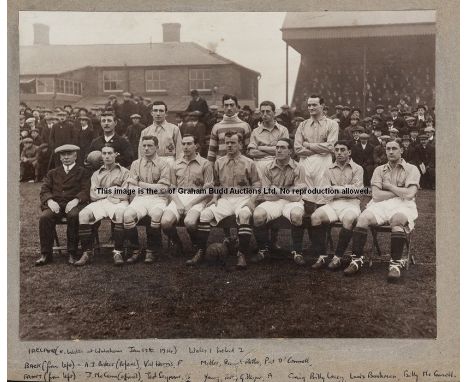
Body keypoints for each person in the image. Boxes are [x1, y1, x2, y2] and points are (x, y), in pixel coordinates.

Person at [343, 140, 420, 281]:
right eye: (388, 149)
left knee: (397, 220)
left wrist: (389, 186)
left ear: (402, 150)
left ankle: (395, 264)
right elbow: (376, 195)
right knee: (363, 218)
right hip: (381, 203)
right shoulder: (379, 170)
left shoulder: (412, 169)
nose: (390, 151)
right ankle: (357, 260)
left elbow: (410, 194)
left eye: (394, 148)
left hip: (404, 205)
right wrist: (400, 191)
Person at [187, 131, 261, 268]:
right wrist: (215, 197)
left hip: (242, 197)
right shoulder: (219, 162)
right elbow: (216, 184)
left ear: (240, 144)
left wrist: (252, 200)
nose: (229, 145)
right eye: (227, 143)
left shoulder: (249, 162)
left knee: (244, 215)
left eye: (233, 142)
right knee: (205, 214)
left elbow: (256, 184)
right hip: (225, 198)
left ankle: (241, 254)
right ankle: (201, 251)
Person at [294, 94, 339, 260]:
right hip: (305, 164)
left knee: (321, 202)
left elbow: (331, 147)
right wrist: (316, 148)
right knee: (306, 203)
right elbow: (297, 149)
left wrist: (309, 145)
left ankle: (319, 246)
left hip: (323, 164)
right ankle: (311, 245)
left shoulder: (332, 124)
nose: (311, 108)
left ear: (322, 106)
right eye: (309, 106)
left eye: (314, 105)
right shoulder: (303, 125)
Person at [309, 140, 364, 270]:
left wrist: (335, 189)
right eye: (337, 150)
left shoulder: (357, 168)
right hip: (332, 204)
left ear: (349, 152)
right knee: (315, 217)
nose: (339, 153)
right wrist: (345, 189)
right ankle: (322, 256)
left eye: (342, 150)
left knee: (349, 219)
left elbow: (356, 191)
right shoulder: (328, 169)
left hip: (351, 204)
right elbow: (326, 193)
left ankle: (337, 257)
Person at [250, 138, 306, 264]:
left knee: (297, 215)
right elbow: (266, 195)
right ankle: (262, 250)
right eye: (277, 147)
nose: (279, 150)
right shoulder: (267, 167)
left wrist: (277, 191)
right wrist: (287, 192)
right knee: (258, 215)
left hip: (292, 202)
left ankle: (297, 252)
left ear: (290, 151)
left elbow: (297, 197)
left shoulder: (299, 167)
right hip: (274, 201)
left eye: (283, 148)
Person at [74, 144, 131, 266]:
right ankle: (87, 252)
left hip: (119, 202)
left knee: (120, 213)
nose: (107, 156)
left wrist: (105, 192)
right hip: (102, 201)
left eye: (110, 153)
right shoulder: (96, 174)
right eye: (104, 153)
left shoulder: (125, 172)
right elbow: (93, 195)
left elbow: (126, 194)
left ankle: (118, 252)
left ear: (116, 155)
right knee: (83, 214)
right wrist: (112, 192)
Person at [35, 145, 90, 266]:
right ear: (60, 157)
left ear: (75, 156)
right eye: (63, 155)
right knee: (45, 217)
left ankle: (72, 252)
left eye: (69, 154)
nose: (66, 157)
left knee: (74, 216)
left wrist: (76, 200)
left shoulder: (83, 172)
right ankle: (46, 254)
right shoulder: (53, 173)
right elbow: (44, 189)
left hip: (74, 204)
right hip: (56, 205)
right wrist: (50, 201)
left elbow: (86, 190)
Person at [160, 134, 214, 256]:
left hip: (197, 197)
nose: (185, 147)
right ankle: (177, 242)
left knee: (190, 222)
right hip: (179, 197)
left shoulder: (205, 164)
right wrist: (178, 203)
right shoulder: (175, 164)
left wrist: (190, 204)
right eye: (183, 144)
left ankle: (196, 243)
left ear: (196, 146)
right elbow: (171, 188)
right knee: (165, 222)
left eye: (189, 144)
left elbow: (208, 190)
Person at [123, 135, 171, 264]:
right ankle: (135, 249)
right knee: (127, 215)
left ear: (157, 147)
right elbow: (132, 188)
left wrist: (141, 184)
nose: (146, 148)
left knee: (155, 214)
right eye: (144, 146)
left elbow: (163, 188)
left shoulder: (164, 164)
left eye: (149, 145)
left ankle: (151, 250)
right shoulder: (135, 164)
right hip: (141, 198)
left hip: (158, 199)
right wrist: (143, 187)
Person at [247, 100, 289, 183]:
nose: (265, 114)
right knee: (260, 193)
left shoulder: (283, 130)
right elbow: (252, 153)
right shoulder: (255, 131)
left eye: (268, 111)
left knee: (277, 193)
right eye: (262, 111)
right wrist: (274, 150)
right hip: (259, 167)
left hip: (278, 166)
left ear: (274, 112)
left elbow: (284, 152)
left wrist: (260, 147)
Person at [207, 94, 251, 162]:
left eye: (232, 105)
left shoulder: (244, 126)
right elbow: (211, 152)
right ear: (222, 107)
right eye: (226, 105)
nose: (229, 108)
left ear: (236, 106)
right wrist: (210, 169)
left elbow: (249, 151)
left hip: (240, 166)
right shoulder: (217, 127)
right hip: (221, 167)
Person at [138, 101, 182, 166]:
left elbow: (180, 151)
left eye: (161, 111)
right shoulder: (145, 132)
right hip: (151, 164)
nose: (158, 114)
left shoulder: (174, 129)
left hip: (169, 163)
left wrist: (179, 168)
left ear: (166, 113)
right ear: (151, 113)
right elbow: (141, 152)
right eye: (155, 111)